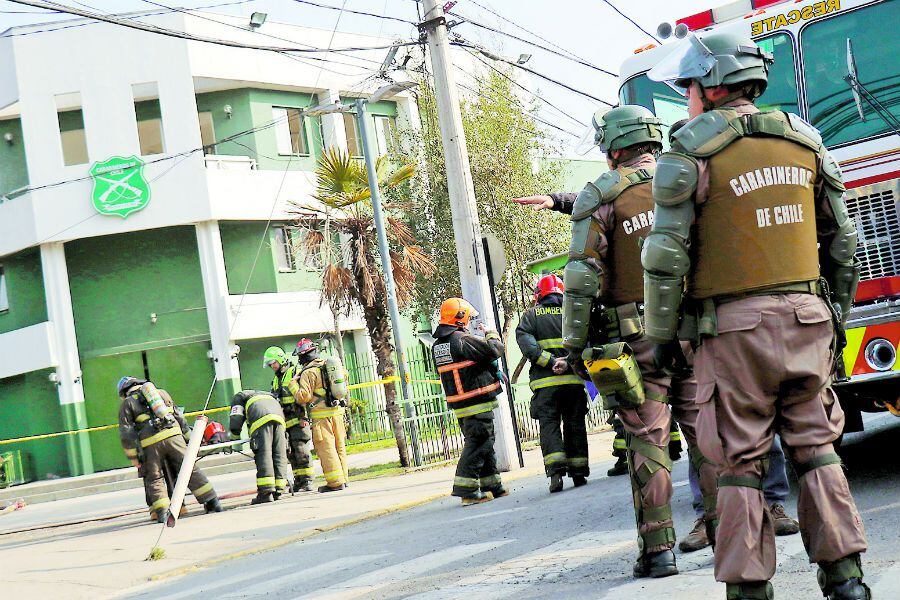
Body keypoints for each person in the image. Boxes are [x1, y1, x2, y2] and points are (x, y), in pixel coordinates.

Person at [643, 31, 868, 599]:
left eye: (688, 87)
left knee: (739, 461)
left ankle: (749, 590)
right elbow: (843, 242)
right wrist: (833, 316)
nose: (687, 99)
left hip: (732, 332)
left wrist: (662, 338)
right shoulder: (806, 141)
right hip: (808, 320)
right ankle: (846, 580)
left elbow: (665, 259)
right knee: (817, 450)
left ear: (710, 87)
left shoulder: (690, 151)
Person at [559, 104, 719, 579]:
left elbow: (581, 275)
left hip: (637, 341)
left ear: (612, 147)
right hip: (694, 332)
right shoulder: (689, 179)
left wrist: (574, 343)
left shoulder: (601, 193)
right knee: (704, 432)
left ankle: (659, 551)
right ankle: (726, 533)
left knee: (647, 441)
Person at [516, 273, 589, 493]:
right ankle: (578, 472)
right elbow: (584, 341)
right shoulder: (572, 314)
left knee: (549, 426)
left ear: (539, 294)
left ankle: (556, 473)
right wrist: (567, 362)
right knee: (574, 424)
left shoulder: (530, 316)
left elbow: (527, 344)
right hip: (573, 381)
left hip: (545, 385)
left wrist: (549, 361)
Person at [432, 298, 510, 506]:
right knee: (479, 443)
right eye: (467, 317)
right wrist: (490, 333)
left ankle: (492, 484)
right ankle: (466, 490)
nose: (468, 322)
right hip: (476, 401)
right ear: (460, 317)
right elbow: (495, 349)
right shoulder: (462, 340)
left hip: (461, 404)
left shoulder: (438, 345)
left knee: (484, 442)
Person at [117, 377, 221, 523]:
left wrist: (133, 456)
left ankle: (163, 513)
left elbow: (126, 433)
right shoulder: (162, 393)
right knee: (189, 469)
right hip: (174, 436)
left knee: (154, 477)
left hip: (150, 443)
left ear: (124, 391)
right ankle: (212, 502)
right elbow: (179, 417)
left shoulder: (127, 403)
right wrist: (189, 440)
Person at [290, 339, 349, 493]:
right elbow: (345, 377)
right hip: (337, 413)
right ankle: (344, 479)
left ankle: (335, 482)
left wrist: (293, 386)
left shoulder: (308, 373)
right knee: (339, 447)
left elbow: (303, 397)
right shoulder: (330, 365)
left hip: (321, 417)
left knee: (326, 448)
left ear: (302, 356)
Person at [264, 346, 314, 493]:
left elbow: (302, 396)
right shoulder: (276, 379)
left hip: (298, 418)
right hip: (285, 421)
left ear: (280, 359)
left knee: (301, 450)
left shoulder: (294, 372)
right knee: (291, 452)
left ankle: (308, 480)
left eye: (273, 362)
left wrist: (304, 417)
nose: (272, 366)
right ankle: (299, 480)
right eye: (269, 364)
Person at [229, 390, 290, 504]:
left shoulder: (239, 397)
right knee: (279, 453)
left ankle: (266, 493)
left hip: (260, 416)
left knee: (264, 454)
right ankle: (279, 490)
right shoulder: (267, 395)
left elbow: (235, 420)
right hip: (279, 417)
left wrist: (233, 437)